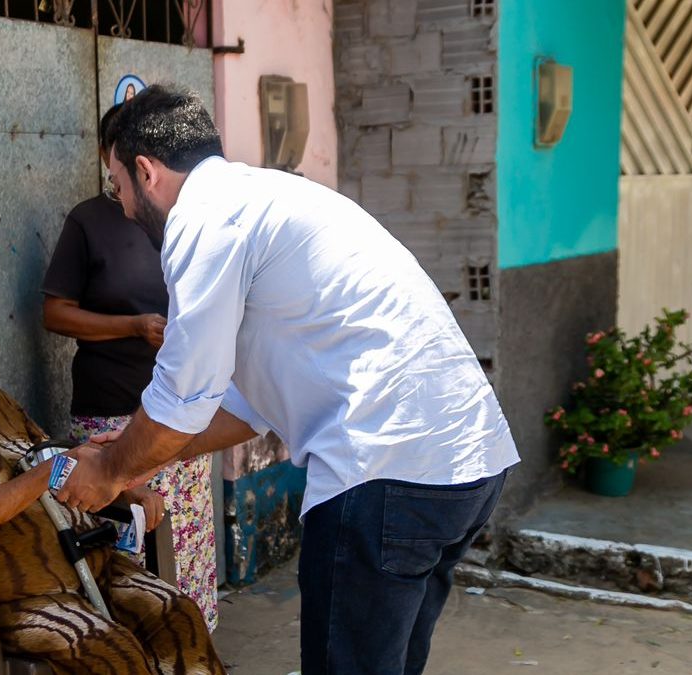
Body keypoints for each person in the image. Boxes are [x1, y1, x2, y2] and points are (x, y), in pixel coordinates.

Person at [56, 85, 521, 675]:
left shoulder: (203, 220)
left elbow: (184, 388)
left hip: (386, 469)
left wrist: (112, 469)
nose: (121, 204)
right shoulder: (265, 198)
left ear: (145, 171)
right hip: (464, 464)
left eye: (118, 184)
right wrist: (150, 458)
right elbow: (246, 402)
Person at [0, 292, 225, 675]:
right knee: (107, 651)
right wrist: (51, 472)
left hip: (84, 566)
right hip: (2, 598)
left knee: (176, 616)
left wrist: (120, 483)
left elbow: (54, 456)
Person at [42, 103, 219, 630]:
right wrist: (134, 326)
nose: (117, 186)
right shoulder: (91, 220)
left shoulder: (181, 220)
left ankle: (192, 647)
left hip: (184, 415)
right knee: (128, 552)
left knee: (186, 546)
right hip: (110, 412)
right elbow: (54, 313)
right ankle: (129, 655)